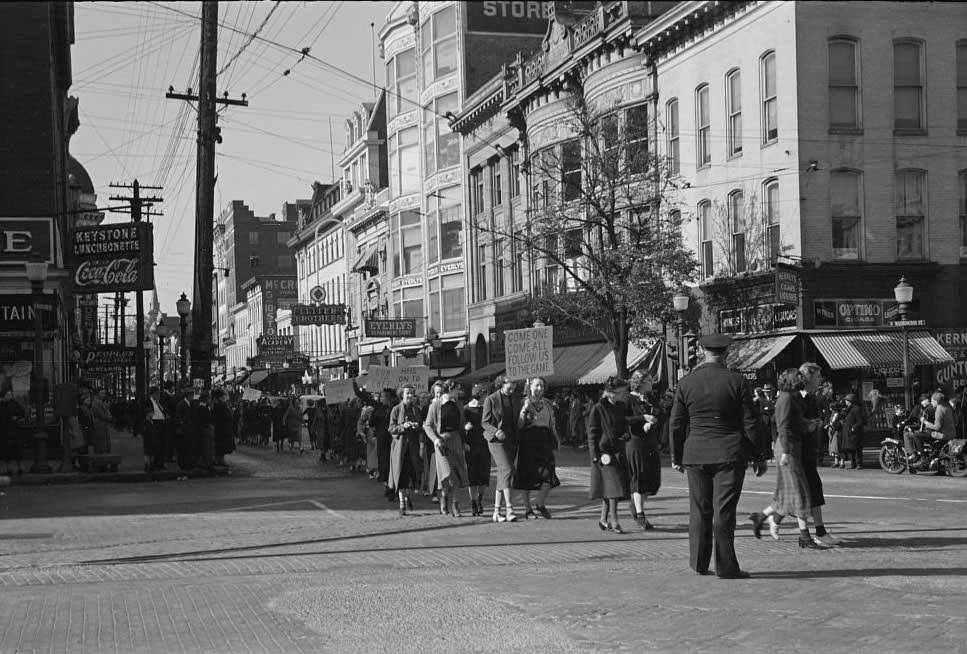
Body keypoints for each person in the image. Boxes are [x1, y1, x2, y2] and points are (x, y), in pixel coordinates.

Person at [669, 333, 768, 579]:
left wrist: (676, 455)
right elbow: (750, 422)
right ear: (726, 353)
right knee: (723, 511)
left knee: (700, 509)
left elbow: (676, 424)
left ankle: (699, 563)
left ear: (703, 352)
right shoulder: (736, 381)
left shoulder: (687, 383)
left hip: (696, 452)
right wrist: (759, 455)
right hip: (729, 452)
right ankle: (726, 566)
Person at [748, 368, 825, 550]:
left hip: (791, 447)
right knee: (800, 492)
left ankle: (760, 517)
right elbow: (783, 426)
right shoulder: (786, 398)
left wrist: (810, 424)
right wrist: (785, 452)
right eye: (797, 376)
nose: (801, 378)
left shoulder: (791, 397)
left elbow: (794, 423)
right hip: (788, 448)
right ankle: (804, 537)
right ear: (790, 380)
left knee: (788, 492)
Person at [797, 362, 838, 546]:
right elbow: (788, 422)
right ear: (808, 377)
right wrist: (809, 425)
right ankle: (807, 534)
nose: (820, 380)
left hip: (809, 451)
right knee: (802, 493)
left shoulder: (813, 398)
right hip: (798, 452)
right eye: (818, 376)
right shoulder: (795, 397)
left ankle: (817, 531)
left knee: (813, 490)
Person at [588, 377, 632, 533]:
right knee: (615, 486)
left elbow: (624, 425)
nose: (623, 394)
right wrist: (595, 454)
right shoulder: (598, 408)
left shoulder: (621, 406)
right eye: (621, 391)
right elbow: (592, 432)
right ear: (611, 393)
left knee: (611, 487)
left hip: (618, 451)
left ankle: (602, 519)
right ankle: (615, 521)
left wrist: (626, 434)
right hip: (604, 453)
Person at [515, 376, 561, 519]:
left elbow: (551, 423)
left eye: (541, 386)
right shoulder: (523, 402)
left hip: (544, 439)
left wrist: (557, 438)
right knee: (526, 475)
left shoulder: (547, 403)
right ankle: (527, 508)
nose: (539, 389)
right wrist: (524, 409)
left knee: (549, 473)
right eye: (536, 386)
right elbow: (519, 425)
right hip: (528, 440)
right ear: (530, 387)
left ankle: (539, 503)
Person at [423, 380, 470, 516]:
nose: (458, 392)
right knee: (448, 473)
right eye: (456, 390)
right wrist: (436, 439)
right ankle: (443, 497)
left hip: (456, 439)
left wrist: (465, 432)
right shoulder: (435, 406)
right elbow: (427, 425)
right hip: (442, 441)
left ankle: (455, 505)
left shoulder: (457, 405)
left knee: (457, 472)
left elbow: (461, 424)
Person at [482, 375, 521, 523]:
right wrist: (496, 431)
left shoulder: (516, 399)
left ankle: (497, 511)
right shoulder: (491, 399)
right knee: (508, 470)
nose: (511, 388)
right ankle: (510, 508)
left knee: (503, 474)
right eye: (509, 385)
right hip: (496, 441)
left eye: (514, 386)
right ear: (501, 384)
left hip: (512, 440)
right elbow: (484, 423)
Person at [626, 371, 662, 529]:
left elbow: (661, 412)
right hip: (636, 442)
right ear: (639, 382)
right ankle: (640, 514)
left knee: (652, 479)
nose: (651, 382)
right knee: (639, 476)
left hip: (650, 441)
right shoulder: (628, 399)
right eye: (648, 380)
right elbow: (624, 419)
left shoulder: (650, 397)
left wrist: (654, 420)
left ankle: (635, 504)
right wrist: (643, 419)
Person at [387, 385, 423, 516]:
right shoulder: (396, 410)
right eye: (407, 393)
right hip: (400, 449)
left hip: (412, 449)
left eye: (412, 394)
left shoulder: (416, 410)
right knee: (401, 475)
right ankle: (402, 503)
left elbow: (421, 426)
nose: (409, 396)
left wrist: (416, 426)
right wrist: (403, 426)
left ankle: (407, 495)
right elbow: (391, 428)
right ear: (402, 394)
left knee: (411, 476)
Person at [463, 383, 491, 517]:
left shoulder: (487, 408)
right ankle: (473, 502)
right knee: (472, 476)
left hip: (485, 444)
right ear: (480, 395)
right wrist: (465, 428)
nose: (487, 397)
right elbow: (460, 426)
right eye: (485, 394)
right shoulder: (466, 409)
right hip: (471, 445)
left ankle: (480, 498)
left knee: (483, 475)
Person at [907, 391, 957, 465]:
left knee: (916, 435)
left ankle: (924, 457)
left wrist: (925, 422)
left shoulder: (939, 410)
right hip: (952, 433)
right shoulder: (947, 407)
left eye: (932, 401)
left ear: (936, 401)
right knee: (927, 433)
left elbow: (937, 427)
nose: (931, 403)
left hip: (942, 435)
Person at [0, 389, 26, 476]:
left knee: (17, 449)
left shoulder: (14, 403)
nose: (9, 396)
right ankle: (9, 468)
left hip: (13, 429)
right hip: (5, 430)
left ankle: (19, 468)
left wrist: (17, 417)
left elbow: (23, 412)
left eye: (10, 394)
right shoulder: (2, 404)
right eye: (7, 395)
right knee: (7, 450)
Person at [841, 393, 865, 469]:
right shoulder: (848, 409)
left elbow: (860, 421)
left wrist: (854, 428)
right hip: (849, 433)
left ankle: (859, 464)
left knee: (857, 449)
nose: (845, 402)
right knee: (850, 449)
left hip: (855, 432)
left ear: (850, 401)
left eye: (846, 401)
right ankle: (853, 463)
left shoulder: (857, 409)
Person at [213, 389, 235, 466]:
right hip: (222, 428)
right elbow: (227, 416)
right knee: (221, 445)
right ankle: (219, 459)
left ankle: (220, 459)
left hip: (222, 428)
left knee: (221, 445)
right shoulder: (221, 405)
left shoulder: (221, 404)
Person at [91, 388, 114, 454]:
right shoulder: (97, 403)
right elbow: (101, 415)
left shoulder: (99, 402)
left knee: (103, 443)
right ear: (98, 393)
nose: (103, 395)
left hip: (101, 425)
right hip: (99, 426)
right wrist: (109, 417)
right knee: (101, 444)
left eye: (104, 393)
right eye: (102, 393)